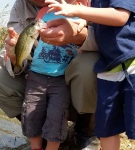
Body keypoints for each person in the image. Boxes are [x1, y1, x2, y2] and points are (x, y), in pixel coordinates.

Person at [0, 0, 100, 149]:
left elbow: (116, 39)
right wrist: (13, 57)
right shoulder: (21, 6)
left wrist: (81, 36)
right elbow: (11, 48)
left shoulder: (84, 4)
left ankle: (87, 133)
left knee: (90, 68)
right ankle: (41, 136)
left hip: (73, 83)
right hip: (39, 80)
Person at [45, 0, 135, 149]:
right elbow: (97, 17)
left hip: (130, 63)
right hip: (107, 66)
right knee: (106, 127)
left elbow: (120, 16)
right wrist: (82, 22)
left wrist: (76, 10)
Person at [21, 1, 87, 149]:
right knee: (31, 113)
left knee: (57, 116)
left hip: (61, 78)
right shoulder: (44, 11)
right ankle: (35, 147)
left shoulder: (83, 12)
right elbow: (32, 33)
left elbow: (88, 35)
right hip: (36, 75)